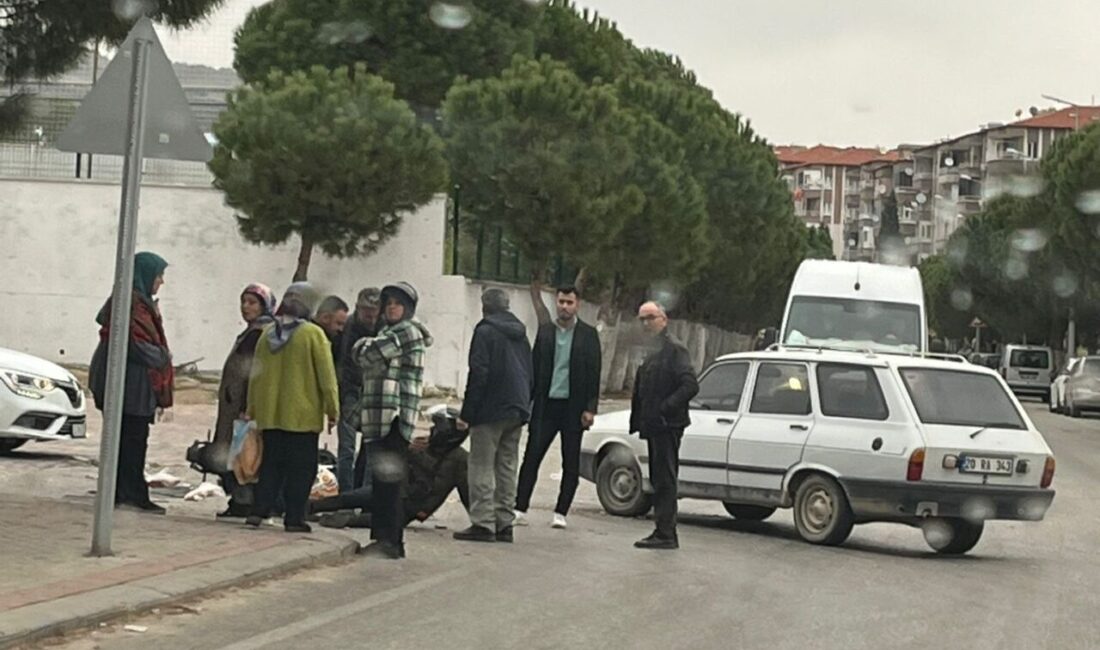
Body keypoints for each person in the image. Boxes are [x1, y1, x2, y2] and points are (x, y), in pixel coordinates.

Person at [245, 285, 339, 533]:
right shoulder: (313, 334)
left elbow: (255, 375)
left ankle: (259, 510)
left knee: (271, 464)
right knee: (301, 468)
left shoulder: (267, 335)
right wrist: (332, 408)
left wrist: (252, 408)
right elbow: (326, 377)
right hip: (302, 414)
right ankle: (294, 517)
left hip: (271, 414)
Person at [89, 252, 174, 515]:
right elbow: (136, 344)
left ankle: (121, 491)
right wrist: (161, 355)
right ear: (146, 275)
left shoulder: (137, 303)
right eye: (158, 275)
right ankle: (130, 493)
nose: (161, 281)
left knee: (128, 438)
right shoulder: (131, 305)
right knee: (131, 439)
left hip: (130, 384)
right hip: (129, 385)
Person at [352, 282, 433, 559]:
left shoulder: (407, 331)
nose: (391, 308)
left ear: (408, 308)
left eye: (397, 303)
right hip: (378, 415)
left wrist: (365, 345)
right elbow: (365, 355)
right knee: (381, 481)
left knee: (389, 483)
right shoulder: (389, 333)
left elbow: (367, 354)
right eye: (388, 304)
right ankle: (382, 537)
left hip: (394, 415)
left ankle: (391, 541)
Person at [514, 286, 601, 529]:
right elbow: (533, 369)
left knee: (570, 461)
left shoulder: (588, 335)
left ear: (577, 305)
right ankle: (519, 507)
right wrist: (527, 403)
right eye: (561, 302)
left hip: (573, 408)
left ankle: (561, 512)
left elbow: (595, 373)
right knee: (531, 457)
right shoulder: (545, 332)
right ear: (556, 303)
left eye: (569, 302)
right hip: (545, 406)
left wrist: (590, 408)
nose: (564, 306)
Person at [454, 289, 534, 544]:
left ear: (484, 306)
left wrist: (467, 413)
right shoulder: (521, 334)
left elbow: (478, 373)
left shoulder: (484, 331)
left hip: (490, 408)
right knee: (507, 466)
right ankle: (504, 523)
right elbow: (531, 372)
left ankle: (483, 523)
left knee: (480, 465)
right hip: (517, 406)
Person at [314, 407, 469, 528]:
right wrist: (408, 449)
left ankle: (342, 518)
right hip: (397, 493)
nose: (432, 430)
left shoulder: (459, 459)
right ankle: (311, 508)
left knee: (377, 517)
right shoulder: (429, 447)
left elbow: (467, 492)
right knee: (352, 498)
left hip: (410, 505)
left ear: (446, 432)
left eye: (436, 427)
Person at [629, 301, 698, 550]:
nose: (646, 323)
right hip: (654, 425)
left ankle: (666, 533)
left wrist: (665, 408)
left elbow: (690, 385)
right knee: (659, 478)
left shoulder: (674, 349)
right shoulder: (651, 349)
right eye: (642, 319)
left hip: (668, 425)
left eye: (650, 317)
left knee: (665, 479)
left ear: (663, 319)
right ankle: (662, 530)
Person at [211, 283, 277, 518]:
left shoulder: (260, 334)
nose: (245, 307)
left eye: (252, 303)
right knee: (238, 453)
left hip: (243, 408)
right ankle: (241, 501)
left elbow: (253, 373)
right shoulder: (254, 331)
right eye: (243, 302)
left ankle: (244, 501)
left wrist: (246, 406)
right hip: (235, 405)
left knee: (244, 455)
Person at [335, 287, 382, 495]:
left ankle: (362, 496)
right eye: (366, 311)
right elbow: (343, 363)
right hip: (350, 390)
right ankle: (345, 496)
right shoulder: (349, 326)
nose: (370, 316)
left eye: (374, 311)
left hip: (374, 392)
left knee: (370, 449)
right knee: (346, 449)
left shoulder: (384, 327)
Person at [314, 295, 350, 362]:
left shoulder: (334, 341)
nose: (341, 329)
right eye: (338, 323)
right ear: (325, 318)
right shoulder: (308, 338)